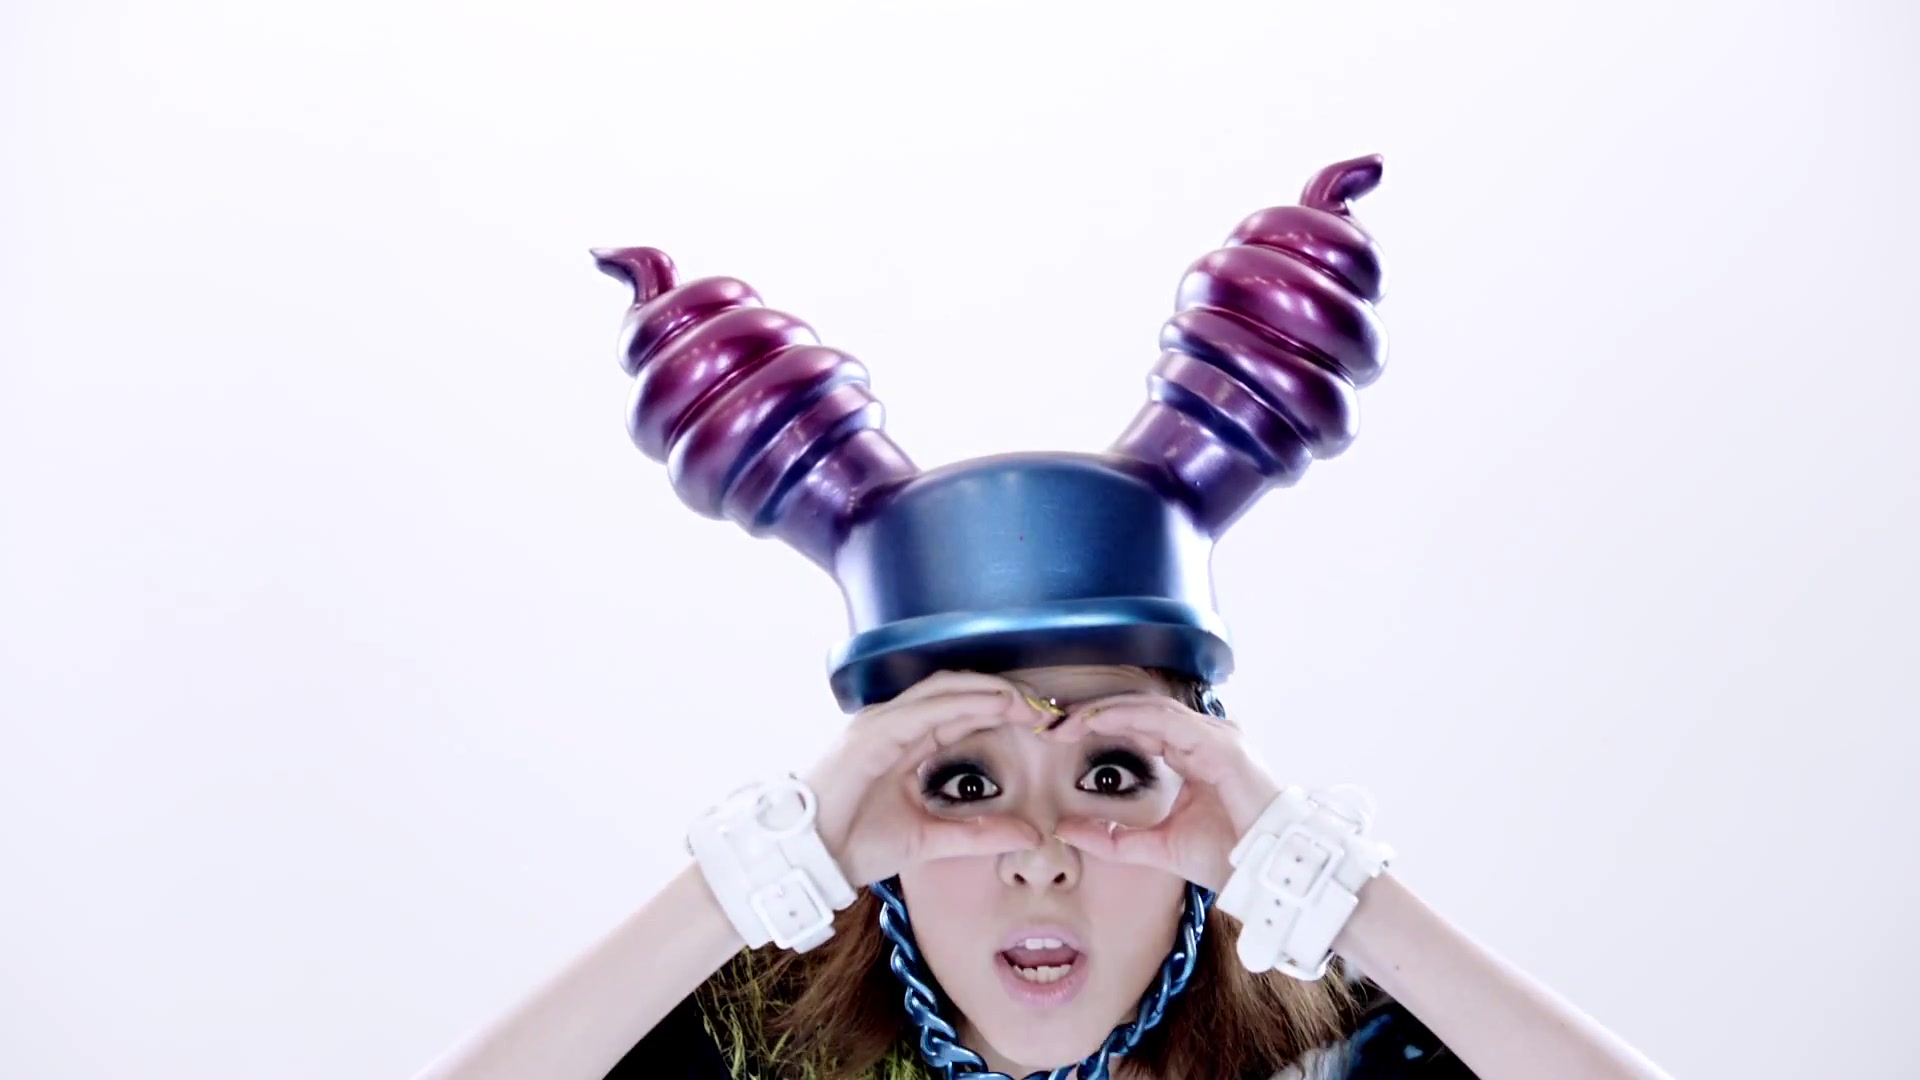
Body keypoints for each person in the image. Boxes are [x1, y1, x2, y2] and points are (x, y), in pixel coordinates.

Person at [411, 157, 1673, 1080]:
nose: (1043, 851)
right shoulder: (756, 1047)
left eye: (1114, 770)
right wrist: (760, 875)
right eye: (961, 781)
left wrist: (1329, 889)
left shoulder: (1339, 1057)